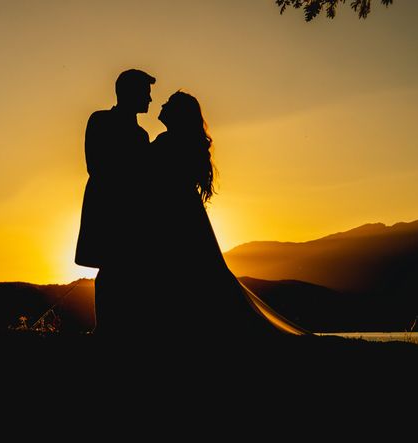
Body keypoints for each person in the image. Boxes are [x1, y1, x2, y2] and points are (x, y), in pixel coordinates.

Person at [149, 91, 308, 338]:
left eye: (168, 103)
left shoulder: (168, 142)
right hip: (187, 213)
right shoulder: (184, 142)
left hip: (175, 214)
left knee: (185, 270)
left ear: (178, 113)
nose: (161, 105)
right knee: (199, 270)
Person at [74, 68, 157, 338]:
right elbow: (95, 165)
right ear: (130, 93)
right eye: (146, 93)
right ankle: (106, 329)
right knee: (111, 269)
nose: (150, 100)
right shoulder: (99, 120)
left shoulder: (142, 136)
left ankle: (124, 328)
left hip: (129, 211)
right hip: (109, 208)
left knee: (127, 270)